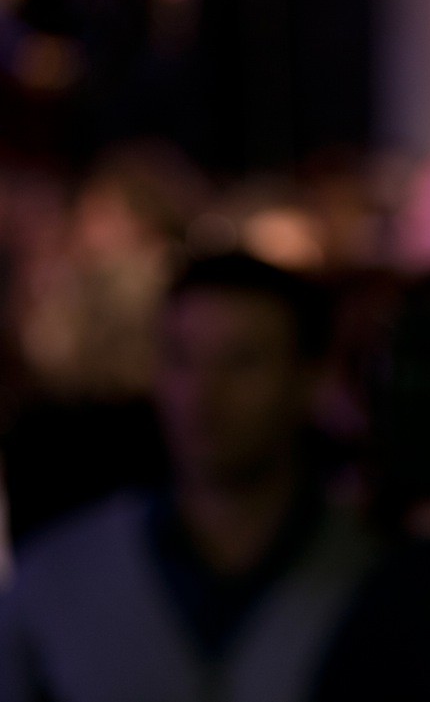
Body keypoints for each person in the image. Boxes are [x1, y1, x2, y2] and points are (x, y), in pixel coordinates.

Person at [0, 253, 381, 702]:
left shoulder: (374, 575)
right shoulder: (59, 575)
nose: (201, 395)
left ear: (309, 379)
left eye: (242, 362)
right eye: (180, 359)